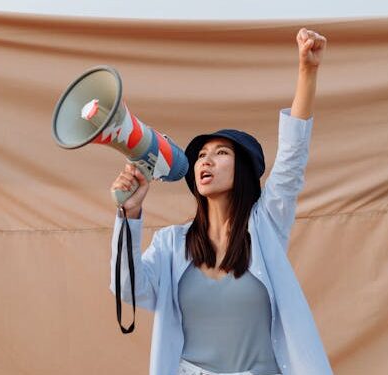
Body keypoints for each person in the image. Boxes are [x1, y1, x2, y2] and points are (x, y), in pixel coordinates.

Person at [110, 28, 332, 375]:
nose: (205, 161)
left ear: (242, 170)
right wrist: (130, 212)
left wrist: (307, 70)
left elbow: (292, 158)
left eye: (220, 152)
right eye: (200, 156)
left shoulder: (265, 228)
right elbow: (129, 290)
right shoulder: (171, 244)